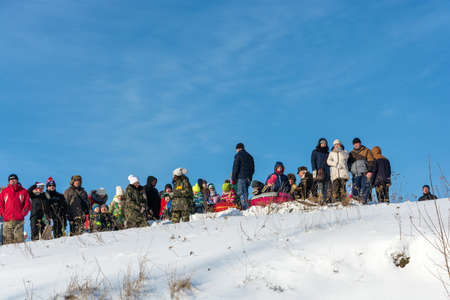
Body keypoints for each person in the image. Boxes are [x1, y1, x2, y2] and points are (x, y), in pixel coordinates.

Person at [0, 174, 31, 244]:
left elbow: (28, 204)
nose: (13, 181)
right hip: (7, 221)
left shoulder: (23, 191)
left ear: (17, 180)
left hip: (19, 221)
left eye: (14, 179)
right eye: (11, 179)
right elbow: (0, 203)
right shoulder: (4, 192)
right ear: (9, 181)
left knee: (19, 243)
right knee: (7, 243)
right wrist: (2, 213)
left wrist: (22, 213)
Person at [347, 138, 375, 204]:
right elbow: (348, 163)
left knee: (365, 186)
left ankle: (365, 201)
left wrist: (370, 171)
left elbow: (371, 161)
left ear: (360, 143)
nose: (356, 145)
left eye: (357, 143)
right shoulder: (351, 153)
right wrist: (350, 169)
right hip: (355, 174)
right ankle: (355, 201)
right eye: (354, 144)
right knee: (355, 187)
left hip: (364, 172)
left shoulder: (366, 151)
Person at [232, 143, 255, 210]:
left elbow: (235, 167)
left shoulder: (238, 155)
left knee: (241, 193)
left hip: (241, 177)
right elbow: (253, 169)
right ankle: (245, 207)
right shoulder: (250, 156)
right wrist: (250, 177)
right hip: (248, 178)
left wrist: (234, 178)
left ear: (238, 148)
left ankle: (245, 209)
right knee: (245, 193)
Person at [327, 139, 350, 204]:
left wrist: (341, 151)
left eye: (338, 144)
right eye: (335, 144)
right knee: (335, 187)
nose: (337, 145)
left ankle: (344, 201)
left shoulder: (344, 152)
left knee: (343, 187)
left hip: (343, 173)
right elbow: (328, 161)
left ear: (340, 144)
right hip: (335, 173)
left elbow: (346, 157)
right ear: (334, 145)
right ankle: (336, 201)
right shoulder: (331, 153)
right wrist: (336, 164)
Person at [311, 138, 331, 203]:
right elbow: (313, 161)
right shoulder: (315, 152)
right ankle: (320, 200)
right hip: (319, 172)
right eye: (322, 143)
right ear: (319, 144)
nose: (323, 144)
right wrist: (314, 171)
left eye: (325, 143)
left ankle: (324, 200)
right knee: (320, 186)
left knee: (325, 187)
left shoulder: (328, 153)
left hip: (327, 172)